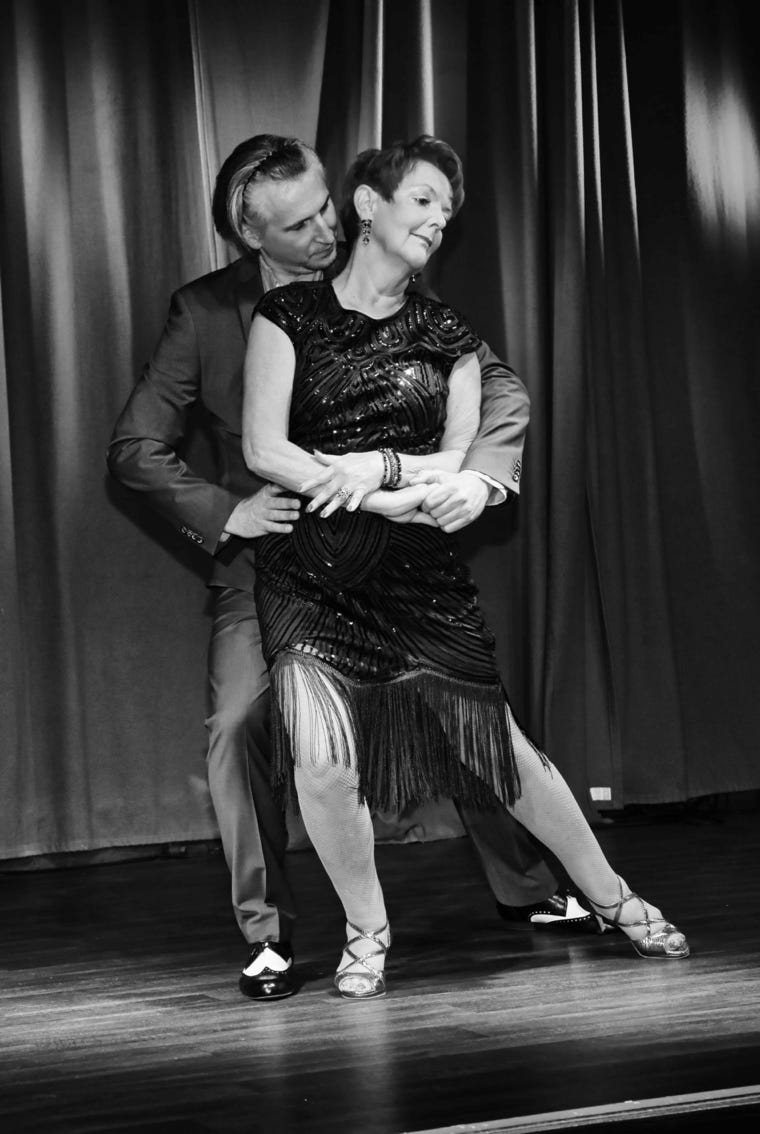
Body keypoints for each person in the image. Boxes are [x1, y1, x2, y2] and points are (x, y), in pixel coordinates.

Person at [107, 133, 593, 1005]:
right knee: (239, 722)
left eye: (327, 208)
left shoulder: (386, 282)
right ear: (252, 234)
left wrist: (481, 475)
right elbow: (134, 448)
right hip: (275, 565)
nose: (325, 231)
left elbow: (500, 387)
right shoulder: (207, 312)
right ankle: (268, 933)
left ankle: (527, 886)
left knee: (457, 703)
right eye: (299, 225)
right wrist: (226, 512)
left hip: (391, 556)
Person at [241, 135, 690, 1001]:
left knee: (501, 753)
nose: (437, 220)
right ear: (367, 205)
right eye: (423, 200)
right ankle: (367, 931)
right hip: (310, 575)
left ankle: (614, 898)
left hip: (419, 576)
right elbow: (266, 449)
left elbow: (457, 458)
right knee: (323, 763)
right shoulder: (286, 315)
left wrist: (383, 474)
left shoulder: (448, 334)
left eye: (447, 211)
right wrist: (371, 492)